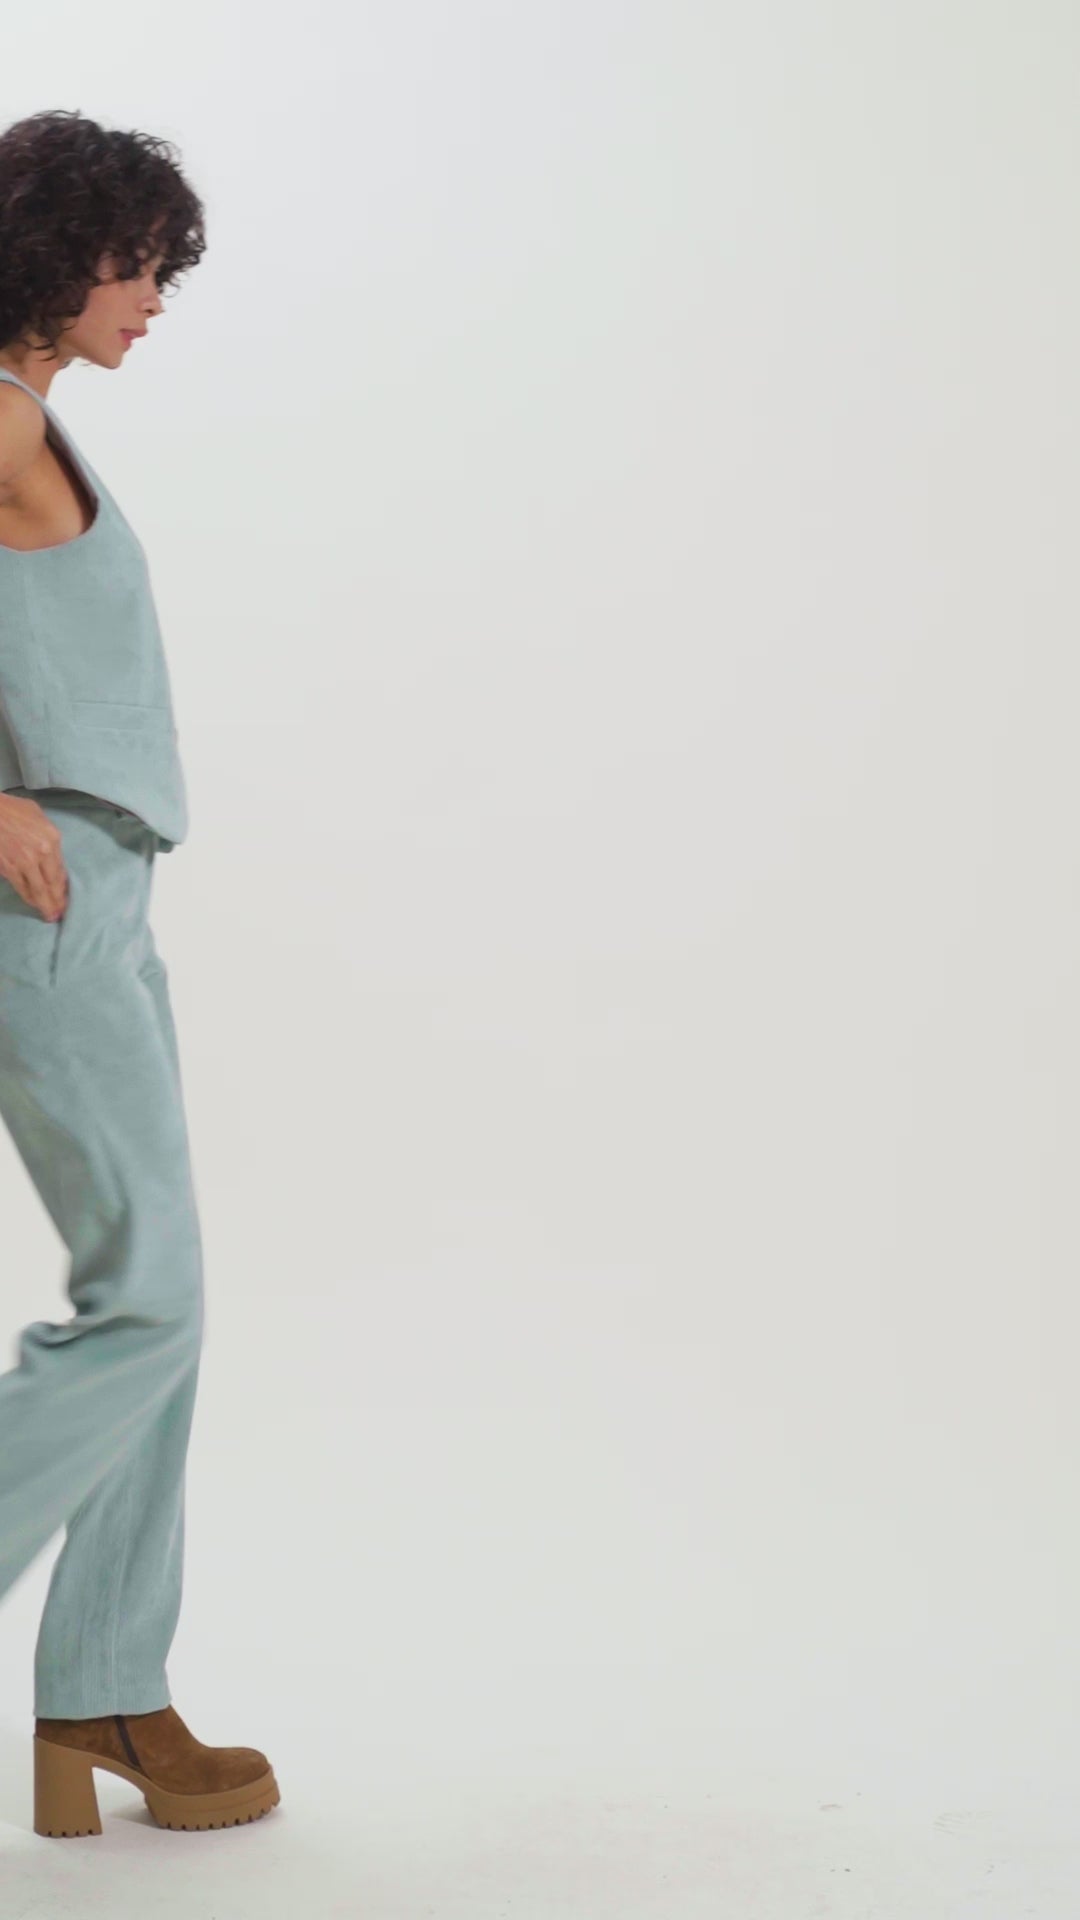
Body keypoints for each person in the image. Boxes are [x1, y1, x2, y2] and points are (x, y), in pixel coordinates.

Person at [0, 108, 279, 1838]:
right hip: (43, 903)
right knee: (148, 1304)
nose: (154, 297)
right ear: (52, 251)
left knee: (162, 1308)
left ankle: (104, 1682)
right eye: (134, 263)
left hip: (105, 895)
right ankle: (99, 1679)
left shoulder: (34, 418)